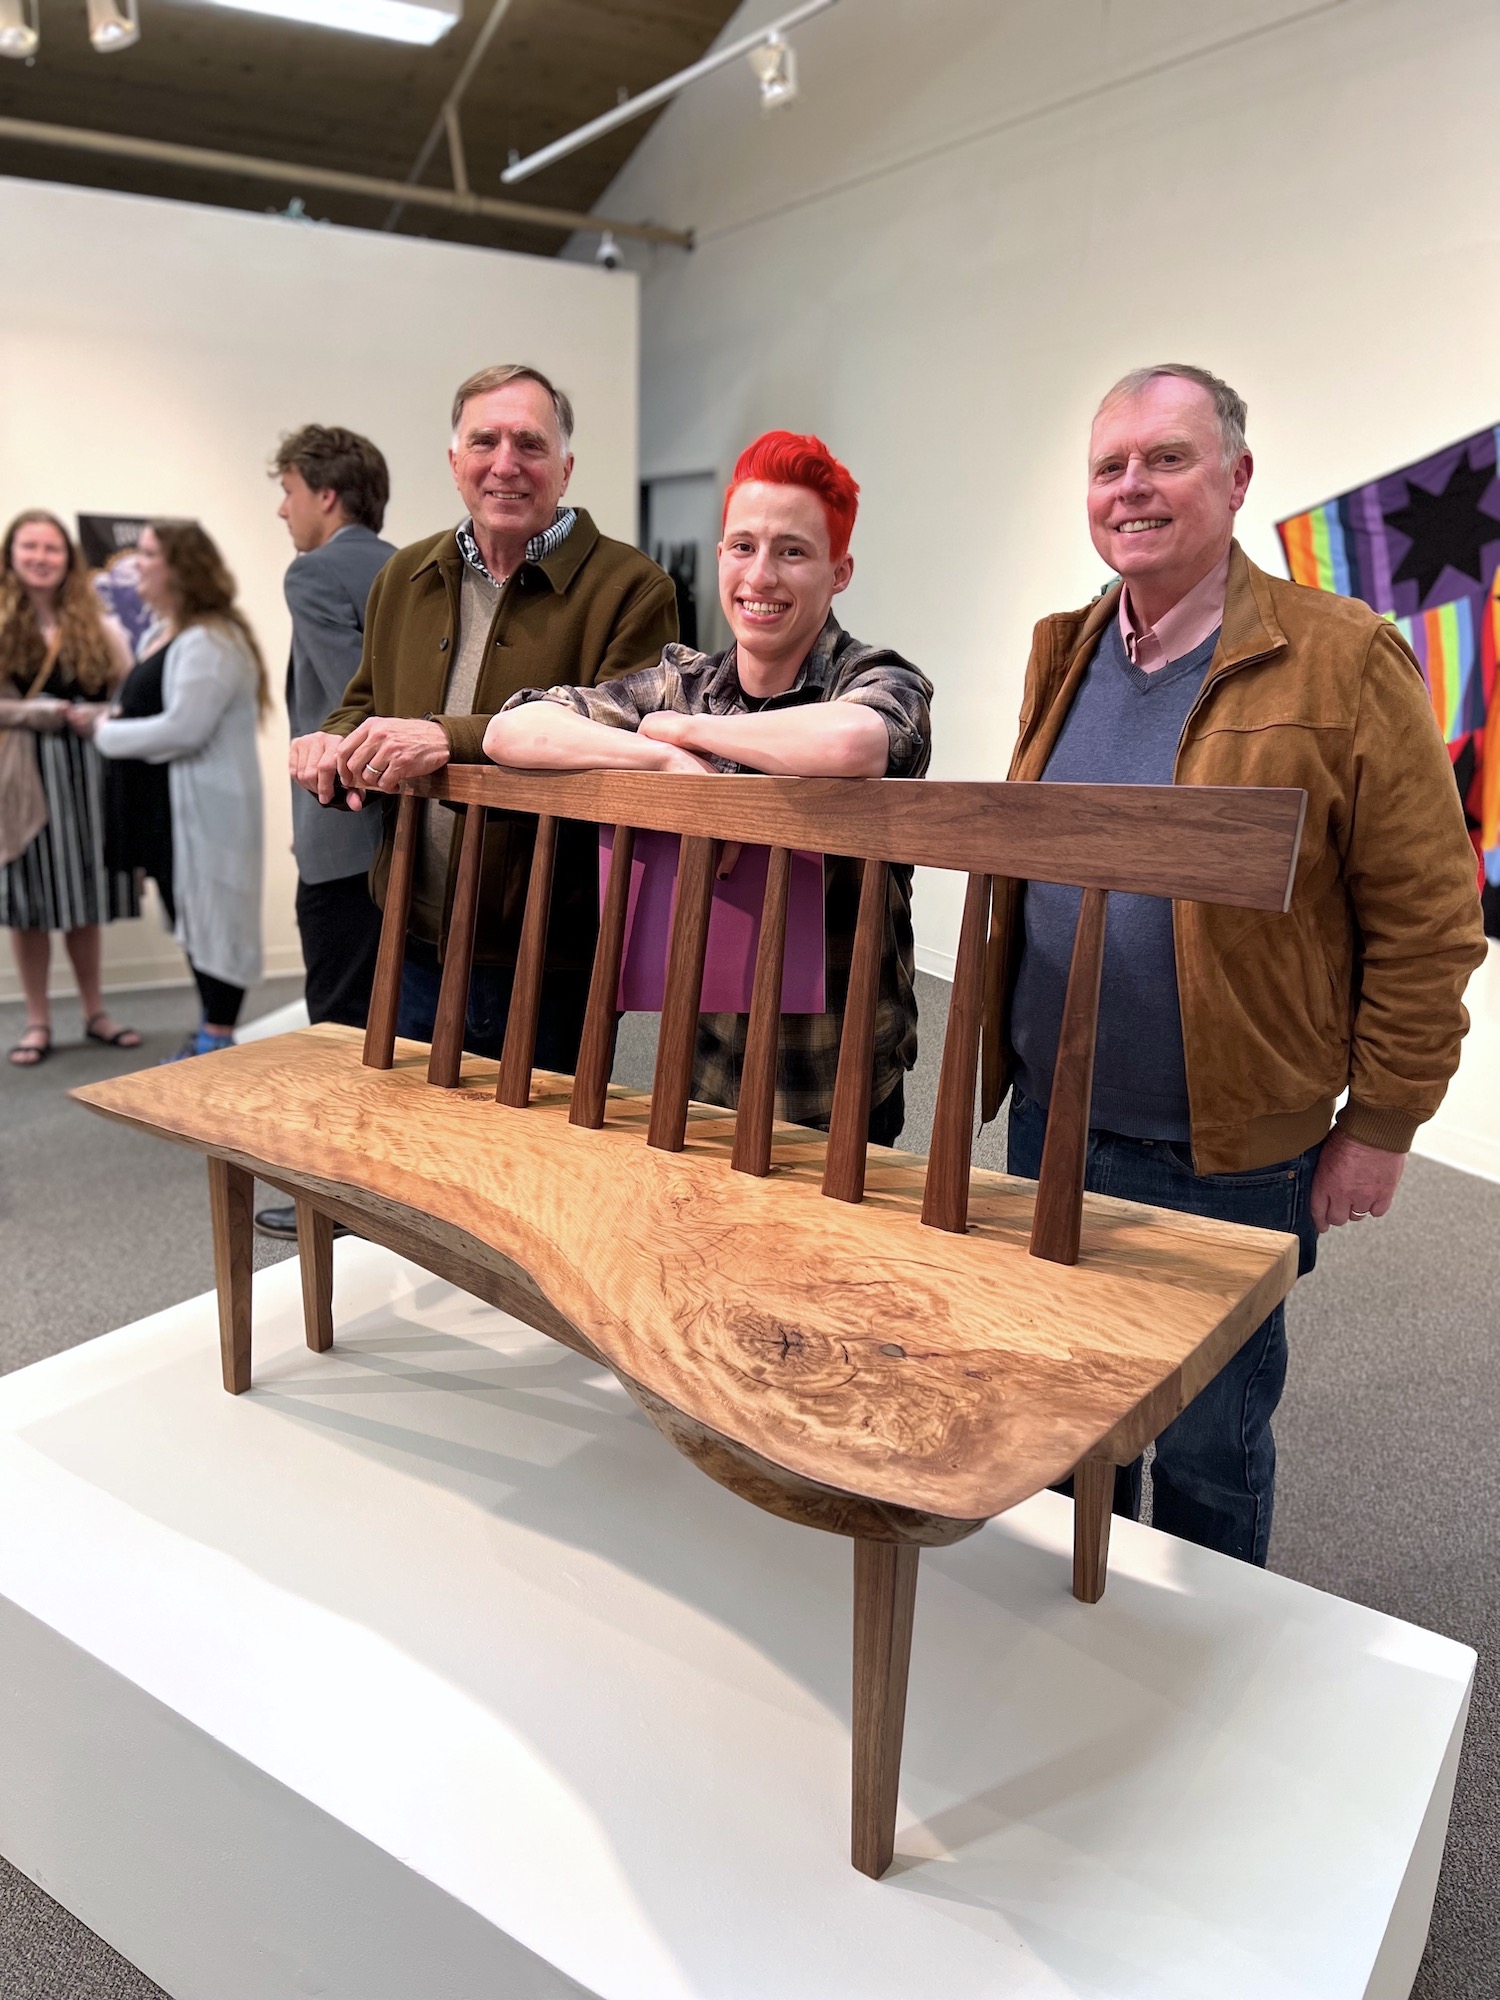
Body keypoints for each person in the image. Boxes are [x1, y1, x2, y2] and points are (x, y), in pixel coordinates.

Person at [982, 363, 1487, 1565]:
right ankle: (1071, 1636)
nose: (1132, 488)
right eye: (1110, 467)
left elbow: (1428, 911)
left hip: (1228, 1148)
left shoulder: (1342, 657)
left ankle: (1198, 1678)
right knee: (1066, 1414)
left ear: (1238, 477)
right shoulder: (1064, 651)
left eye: (1166, 458)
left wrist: (1384, 1121)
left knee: (1210, 1440)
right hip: (1054, 1122)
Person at [483, 430, 933, 1139]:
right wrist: (659, 761)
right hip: (706, 1071)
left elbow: (855, 741)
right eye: (744, 546)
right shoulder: (682, 680)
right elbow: (509, 731)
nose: (760, 577)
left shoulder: (875, 676)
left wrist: (691, 736)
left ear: (838, 571)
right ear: (721, 555)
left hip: (837, 1080)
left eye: (793, 551)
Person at [288, 363, 678, 1071]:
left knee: (538, 1166)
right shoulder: (401, 577)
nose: (506, 465)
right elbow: (366, 699)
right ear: (454, 462)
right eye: (485, 442)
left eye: (529, 444)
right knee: (406, 1150)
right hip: (409, 934)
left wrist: (447, 738)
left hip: (554, 954)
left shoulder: (633, 588)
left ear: (565, 468)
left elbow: (625, 739)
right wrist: (333, 740)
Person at [253, 426, 398, 1240]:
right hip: (413, 838)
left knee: (340, 1022)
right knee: (402, 1019)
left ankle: (342, 1200)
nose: (283, 509)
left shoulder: (312, 572)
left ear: (326, 494)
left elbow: (359, 697)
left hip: (345, 842)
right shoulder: (410, 568)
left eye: (289, 491)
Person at [73, 523, 268, 1059]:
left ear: (182, 568)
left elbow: (184, 726)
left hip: (207, 811)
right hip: (166, 812)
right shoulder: (165, 631)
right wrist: (111, 714)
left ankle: (217, 1038)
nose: (138, 563)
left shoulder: (210, 639)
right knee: (190, 919)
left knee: (214, 920)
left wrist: (105, 733)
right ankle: (211, 1031)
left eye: (151, 554)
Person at [0, 510, 138, 1066]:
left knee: (84, 895)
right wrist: (38, 712)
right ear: (11, 555)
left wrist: (96, 713)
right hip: (24, 776)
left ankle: (95, 1012)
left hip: (86, 773)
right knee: (29, 901)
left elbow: (129, 695)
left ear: (68, 558)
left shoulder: (97, 624)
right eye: (30, 547)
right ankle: (37, 1021)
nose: (41, 557)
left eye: (52, 548)